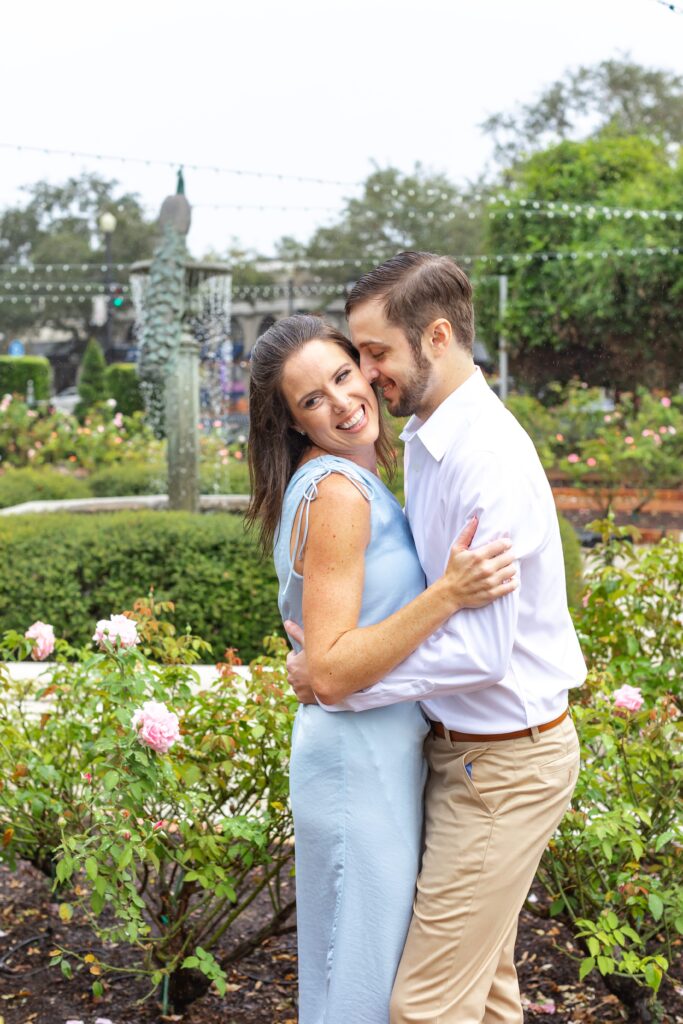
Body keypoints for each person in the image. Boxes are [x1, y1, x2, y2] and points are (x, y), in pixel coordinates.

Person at [285, 252, 587, 1024]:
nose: (366, 374)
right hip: (466, 755)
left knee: (423, 1007)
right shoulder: (426, 441)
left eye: (375, 354)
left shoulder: (483, 458)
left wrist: (340, 680)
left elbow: (482, 651)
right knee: (484, 994)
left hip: (505, 762)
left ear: (439, 336)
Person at [246, 314, 517, 1024]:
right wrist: (448, 594)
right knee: (363, 986)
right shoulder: (335, 491)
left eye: (342, 375)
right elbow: (331, 672)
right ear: (293, 422)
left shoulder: (354, 479)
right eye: (312, 400)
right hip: (355, 767)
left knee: (378, 969)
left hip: (384, 753)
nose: (340, 402)